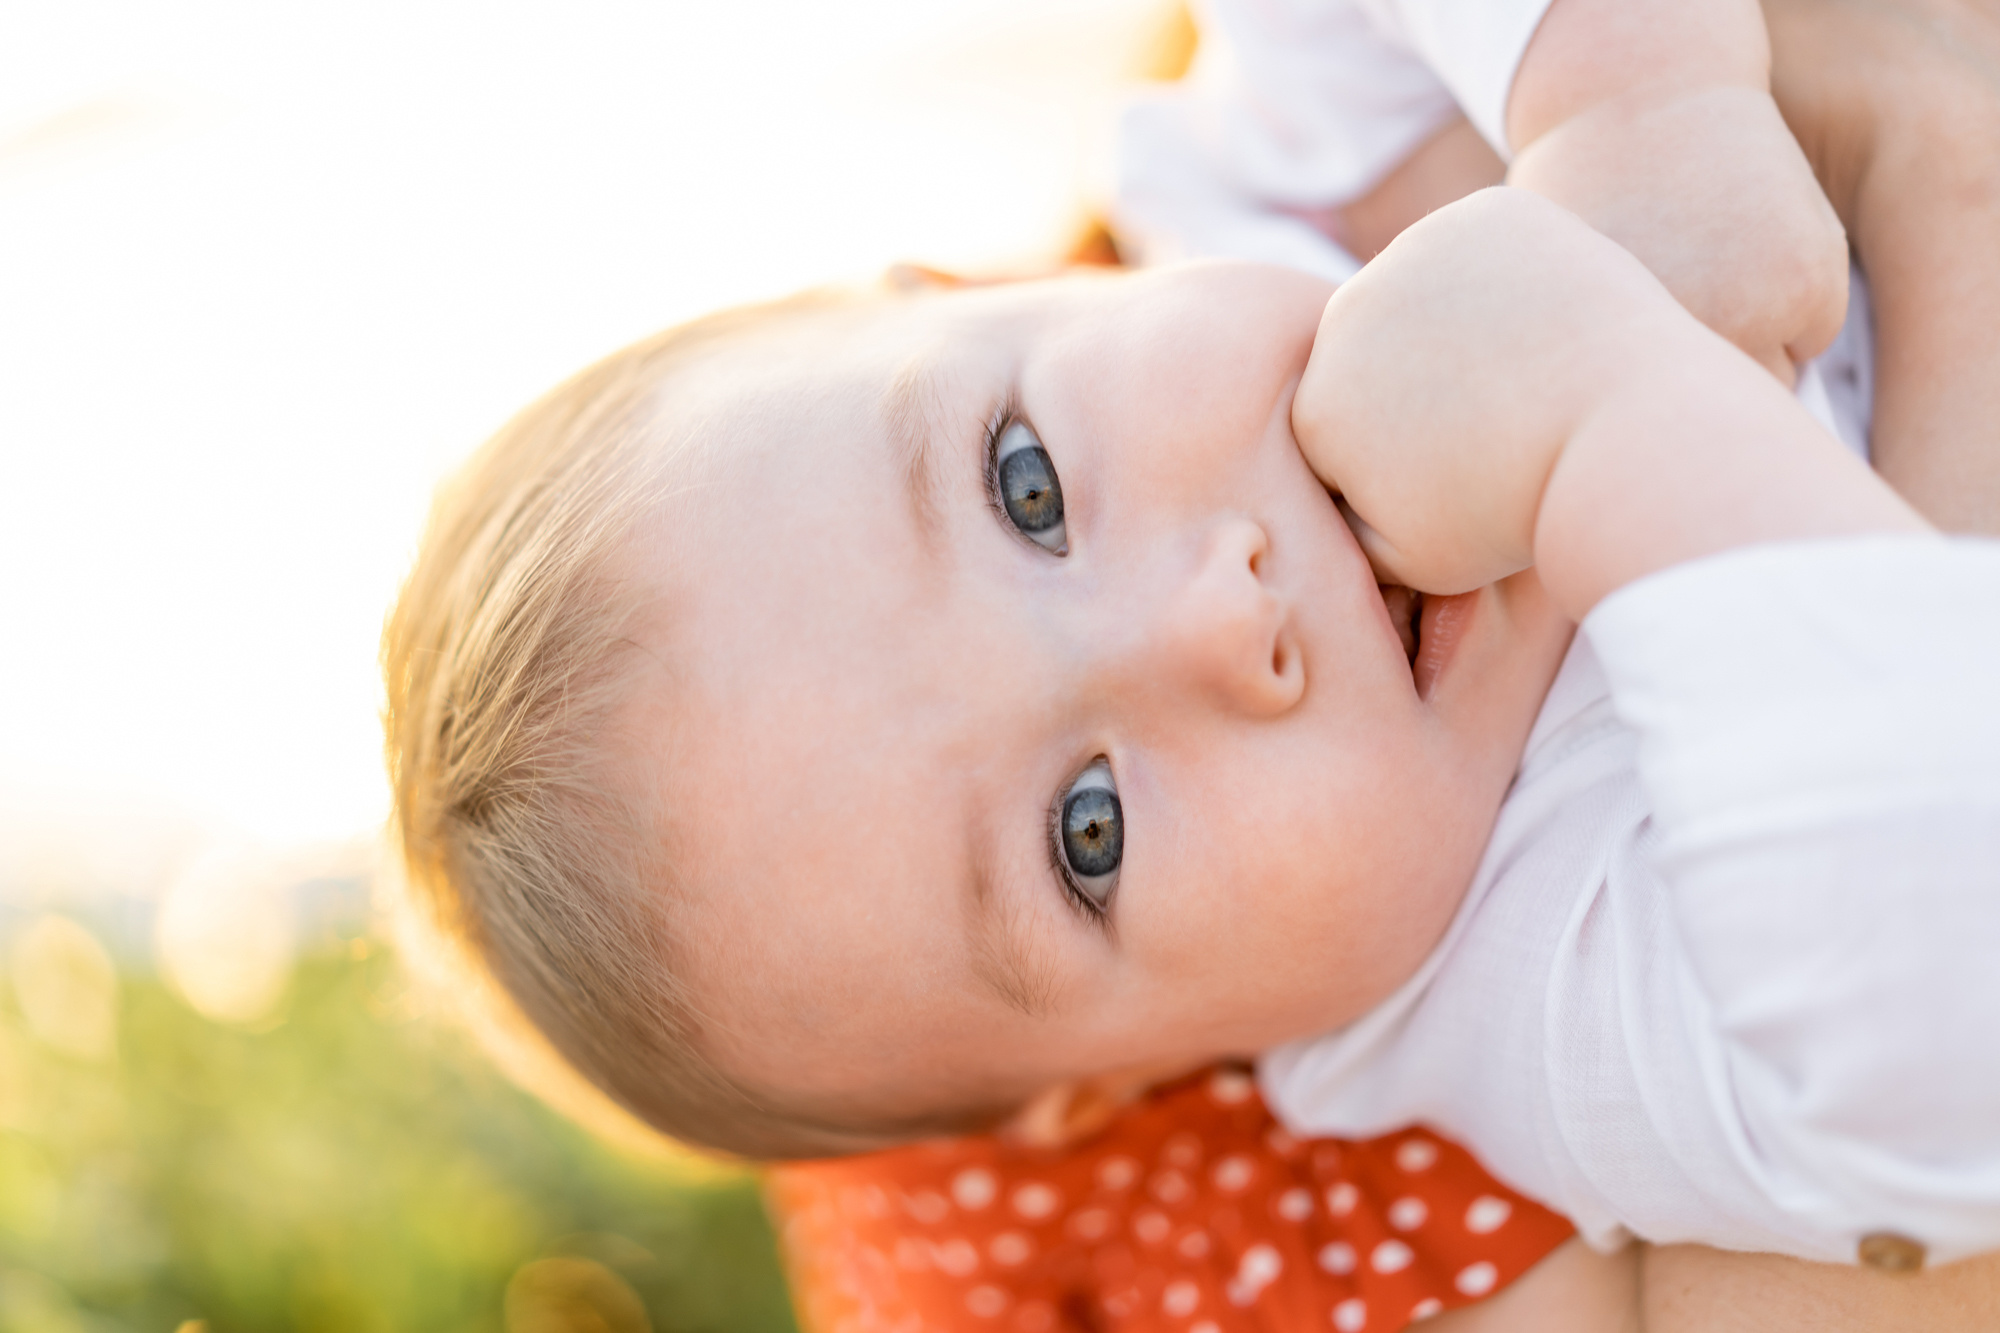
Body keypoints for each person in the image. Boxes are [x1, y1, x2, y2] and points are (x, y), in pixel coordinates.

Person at [380, 0, 2000, 1284]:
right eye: (1090, 833)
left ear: (980, 285)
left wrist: (1632, 99)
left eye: (1026, 485)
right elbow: (1954, 1051)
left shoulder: (1261, 175)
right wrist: (1603, 404)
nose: (1217, 612)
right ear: (1121, 1077)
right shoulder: (1526, 982)